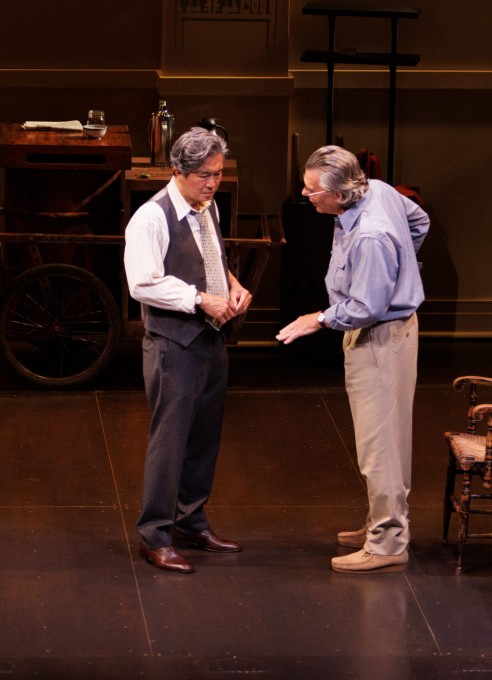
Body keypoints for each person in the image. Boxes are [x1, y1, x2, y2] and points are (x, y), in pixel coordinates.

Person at [277, 145, 428, 574]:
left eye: (311, 191)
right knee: (383, 440)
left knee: (379, 447)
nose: (306, 196)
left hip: (379, 338)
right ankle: (383, 525)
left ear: (341, 194)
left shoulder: (372, 235)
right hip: (384, 334)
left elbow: (365, 308)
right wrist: (402, 267)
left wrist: (317, 318)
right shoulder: (376, 190)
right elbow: (420, 221)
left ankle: (386, 543)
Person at [123, 127, 252, 574]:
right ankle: (155, 534)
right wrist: (199, 299)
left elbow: (212, 257)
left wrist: (233, 286)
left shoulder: (206, 207)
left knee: (204, 437)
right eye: (203, 175)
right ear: (177, 170)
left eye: (217, 173)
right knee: (171, 440)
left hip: (211, 338)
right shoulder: (151, 218)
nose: (212, 183)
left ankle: (190, 520)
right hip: (173, 343)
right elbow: (142, 283)